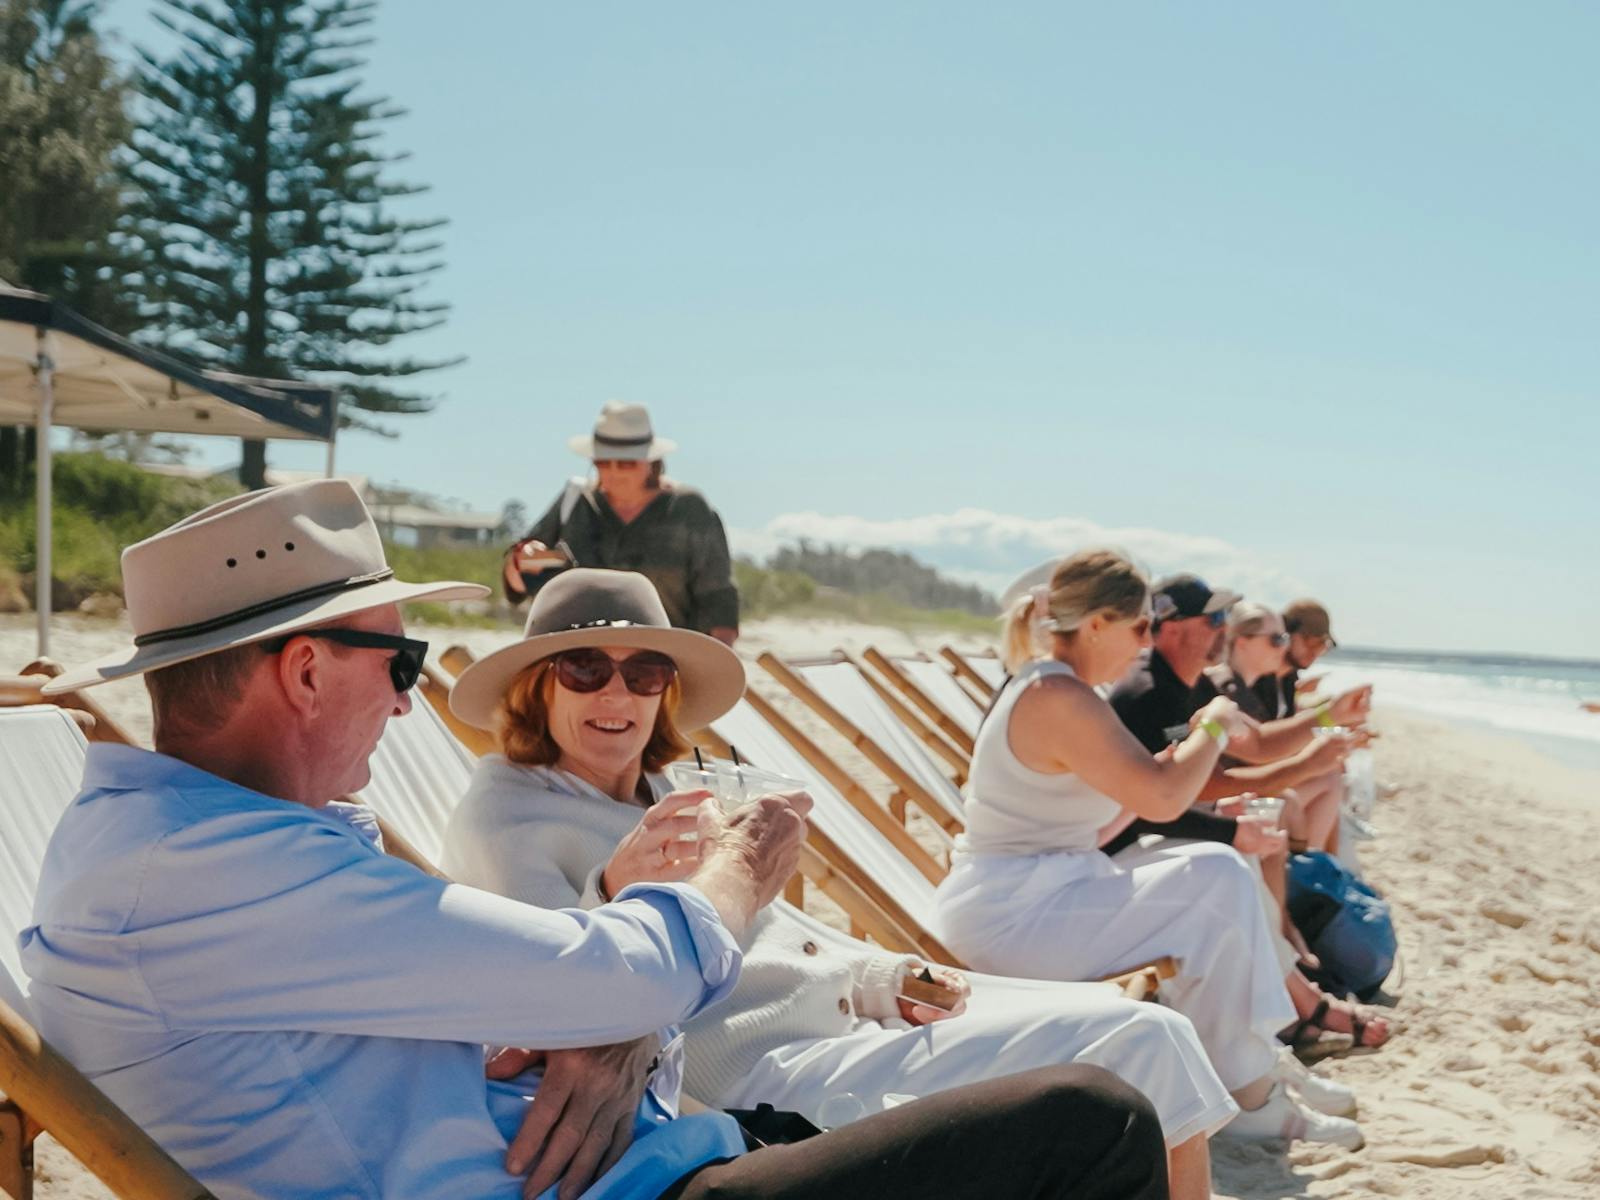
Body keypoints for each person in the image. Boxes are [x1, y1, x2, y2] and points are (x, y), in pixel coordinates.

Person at [23, 481, 1171, 1200]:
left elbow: (489, 1004)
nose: (410, 703)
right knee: (1092, 1121)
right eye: (402, 663)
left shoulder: (191, 843)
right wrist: (732, 869)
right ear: (308, 670)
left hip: (659, 1145)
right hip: (633, 1187)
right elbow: (626, 971)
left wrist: (565, 1024)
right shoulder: (210, 871)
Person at [440, 568, 1233, 1200]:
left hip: (853, 1016)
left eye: (643, 671)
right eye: (584, 669)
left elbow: (777, 941)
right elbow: (551, 1000)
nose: (617, 695)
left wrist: (886, 975)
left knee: (1139, 1023)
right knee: (1144, 1041)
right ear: (538, 686)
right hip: (763, 1069)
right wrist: (613, 887)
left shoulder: (667, 791)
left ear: (666, 691)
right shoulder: (507, 817)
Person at [930, 549, 1365, 1149]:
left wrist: (1170, 768)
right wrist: (1210, 727)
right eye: (1138, 627)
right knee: (1215, 883)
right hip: (1014, 917)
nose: (1144, 643)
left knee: (1215, 871)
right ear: (1096, 624)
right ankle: (1251, 1088)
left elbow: (1123, 805)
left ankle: (1252, 1069)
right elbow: (1163, 799)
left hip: (1036, 893)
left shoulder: (1059, 689)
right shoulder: (1060, 697)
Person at [502, 401, 739, 645]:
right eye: (603, 462)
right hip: (579, 662)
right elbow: (519, 584)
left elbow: (718, 598)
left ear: (651, 462)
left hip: (662, 662)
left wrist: (720, 663)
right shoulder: (576, 503)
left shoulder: (688, 509)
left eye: (626, 463)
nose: (614, 472)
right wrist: (522, 559)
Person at [1253, 599, 1339, 719]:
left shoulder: (1289, 677)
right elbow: (1261, 733)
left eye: (1321, 644)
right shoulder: (1256, 676)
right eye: (1309, 641)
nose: (1314, 652)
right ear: (1286, 632)